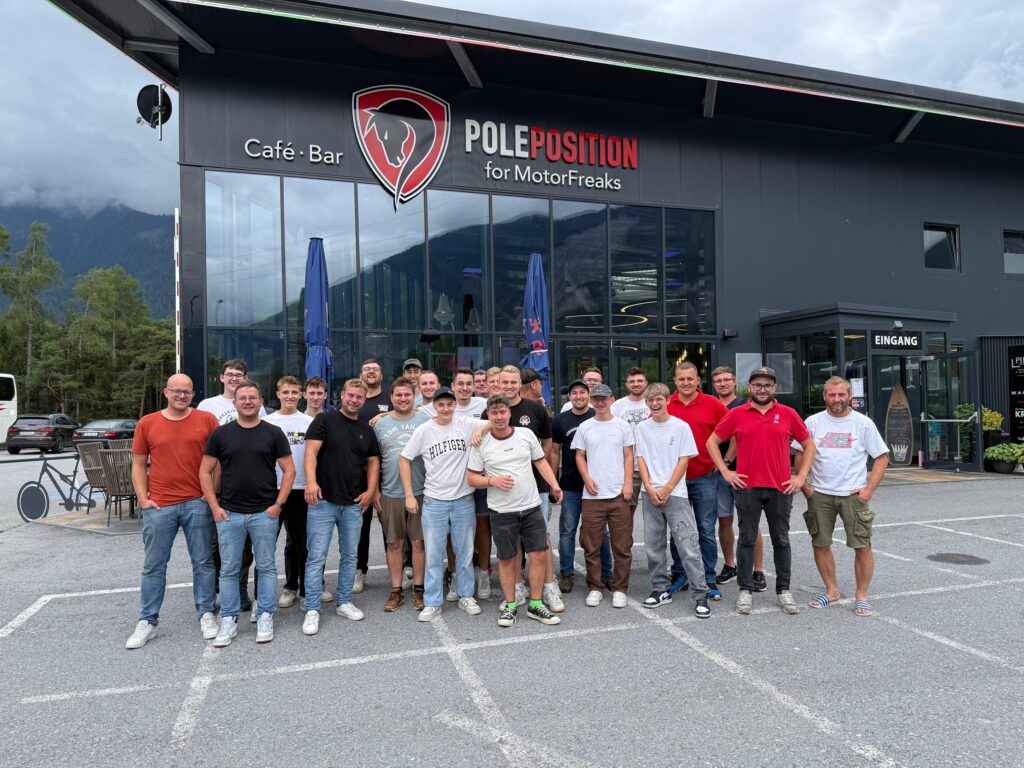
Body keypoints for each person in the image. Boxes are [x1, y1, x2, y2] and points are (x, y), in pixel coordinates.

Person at [708, 366, 815, 617]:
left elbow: (809, 445)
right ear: (749, 387)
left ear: (774, 388)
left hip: (780, 487)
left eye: (767, 385)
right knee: (746, 540)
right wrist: (726, 471)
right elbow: (712, 441)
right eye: (757, 385)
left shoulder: (788, 413)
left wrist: (801, 477)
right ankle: (745, 590)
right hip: (747, 487)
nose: (762, 389)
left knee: (781, 540)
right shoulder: (737, 414)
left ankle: (783, 590)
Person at [125, 374, 220, 649]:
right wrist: (143, 498)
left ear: (193, 394)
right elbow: (138, 464)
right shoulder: (148, 423)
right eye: (176, 391)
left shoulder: (207, 420)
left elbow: (218, 462)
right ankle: (147, 621)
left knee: (203, 562)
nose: (181, 395)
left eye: (187, 391)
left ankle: (206, 613)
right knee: (154, 565)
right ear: (166, 392)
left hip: (197, 503)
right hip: (160, 504)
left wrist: (211, 494)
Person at [199, 380, 295, 647]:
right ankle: (229, 619)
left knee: (266, 567)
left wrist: (278, 505)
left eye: (253, 397)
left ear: (261, 402)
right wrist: (214, 507)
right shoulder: (221, 434)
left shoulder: (273, 433)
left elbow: (289, 471)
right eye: (243, 398)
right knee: (229, 569)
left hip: (265, 513)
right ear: (235, 403)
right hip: (230, 513)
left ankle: (264, 614)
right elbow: (204, 471)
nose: (248, 402)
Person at [795, 376, 889, 616]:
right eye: (832, 395)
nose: (836, 399)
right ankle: (831, 591)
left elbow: (881, 457)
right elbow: (799, 453)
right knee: (820, 543)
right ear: (824, 396)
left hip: (853, 495)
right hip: (819, 494)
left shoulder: (863, 423)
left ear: (849, 396)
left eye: (841, 394)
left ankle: (861, 596)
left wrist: (868, 490)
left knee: (862, 545)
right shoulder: (813, 422)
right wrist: (806, 487)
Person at [468, 394, 564, 627]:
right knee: (507, 559)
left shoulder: (526, 435)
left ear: (510, 413)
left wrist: (554, 484)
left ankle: (536, 604)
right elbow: (472, 478)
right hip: (501, 511)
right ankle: (510, 606)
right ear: (488, 416)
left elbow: (540, 461)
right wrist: (492, 481)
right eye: (494, 413)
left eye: (503, 412)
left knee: (538, 555)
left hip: (530, 506)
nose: (499, 417)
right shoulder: (481, 443)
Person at [301, 379, 381, 636]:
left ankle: (344, 601)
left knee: (350, 556)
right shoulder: (324, 420)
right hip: (323, 500)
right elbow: (310, 453)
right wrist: (311, 482)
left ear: (364, 400)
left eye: (359, 397)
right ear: (342, 395)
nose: (354, 400)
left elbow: (373, 462)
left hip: (353, 503)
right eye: (351, 395)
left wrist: (371, 490)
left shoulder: (366, 430)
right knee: (316, 556)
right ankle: (312, 608)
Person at [400, 387, 482, 622]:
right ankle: (433, 601)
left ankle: (466, 595)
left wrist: (480, 432)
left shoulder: (466, 424)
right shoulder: (424, 430)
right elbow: (404, 459)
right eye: (441, 404)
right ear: (434, 406)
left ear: (455, 404)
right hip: (434, 501)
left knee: (465, 552)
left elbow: (492, 424)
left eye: (449, 404)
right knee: (434, 555)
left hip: (463, 499)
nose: (446, 409)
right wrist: (409, 494)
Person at [634, 383, 710, 618]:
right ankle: (660, 589)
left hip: (675, 494)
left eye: (659, 399)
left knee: (688, 545)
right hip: (650, 494)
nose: (654, 404)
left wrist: (667, 489)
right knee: (653, 546)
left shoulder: (681, 427)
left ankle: (700, 594)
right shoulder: (641, 428)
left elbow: (683, 460)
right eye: (650, 400)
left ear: (668, 400)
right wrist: (649, 487)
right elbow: (641, 459)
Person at [197, 358, 267, 614]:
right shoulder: (207, 406)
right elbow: (202, 446)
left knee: (244, 545)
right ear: (222, 378)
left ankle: (239, 588)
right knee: (215, 544)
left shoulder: (257, 407)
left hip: (245, 484)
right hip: (216, 485)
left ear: (245, 378)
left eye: (239, 374)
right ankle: (218, 587)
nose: (234, 378)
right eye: (230, 374)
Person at [495, 365, 562, 611]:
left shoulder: (536, 409)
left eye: (513, 382)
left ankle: (549, 586)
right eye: (505, 382)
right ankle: (517, 587)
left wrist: (535, 463)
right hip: (506, 487)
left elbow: (548, 442)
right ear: (499, 383)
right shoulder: (492, 410)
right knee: (513, 540)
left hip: (536, 484)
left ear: (519, 384)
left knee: (541, 538)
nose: (509, 386)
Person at [666, 362, 728, 601]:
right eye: (681, 379)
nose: (686, 383)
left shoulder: (713, 404)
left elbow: (733, 431)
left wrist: (724, 460)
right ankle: (680, 574)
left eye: (690, 378)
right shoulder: (666, 404)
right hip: (675, 480)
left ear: (698, 380)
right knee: (678, 529)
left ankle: (708, 577)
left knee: (705, 529)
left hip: (704, 477)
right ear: (675, 381)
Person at [571, 383, 635, 608]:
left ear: (611, 400)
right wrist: (586, 478)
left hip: (618, 494)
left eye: (603, 399)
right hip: (592, 496)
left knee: (622, 546)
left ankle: (620, 588)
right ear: (591, 401)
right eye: (596, 399)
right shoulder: (585, 427)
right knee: (591, 546)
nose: (599, 402)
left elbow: (629, 456)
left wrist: (628, 483)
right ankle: (595, 587)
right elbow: (579, 455)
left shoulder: (622, 426)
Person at [372, 377, 430, 612]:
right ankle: (396, 590)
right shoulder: (380, 425)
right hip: (390, 492)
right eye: (398, 395)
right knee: (394, 542)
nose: (403, 399)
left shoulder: (425, 420)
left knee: (418, 542)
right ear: (391, 397)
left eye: (407, 395)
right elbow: (373, 461)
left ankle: (419, 589)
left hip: (421, 490)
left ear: (413, 396)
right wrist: (375, 490)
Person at [550, 378, 612, 593]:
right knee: (568, 531)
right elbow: (555, 452)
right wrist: (553, 482)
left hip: (597, 485)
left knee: (601, 532)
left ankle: (606, 572)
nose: (579, 396)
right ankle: (567, 573)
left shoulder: (598, 416)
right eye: (574, 393)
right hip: (570, 484)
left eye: (583, 392)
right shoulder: (560, 420)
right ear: (569, 397)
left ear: (589, 395)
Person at [710, 365, 765, 587]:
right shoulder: (712, 404)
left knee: (750, 522)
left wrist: (725, 462)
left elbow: (736, 436)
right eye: (718, 381)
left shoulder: (745, 405)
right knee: (724, 520)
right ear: (713, 385)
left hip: (743, 472)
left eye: (726, 380)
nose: (722, 384)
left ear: (734, 382)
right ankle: (730, 565)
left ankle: (758, 570)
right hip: (717, 474)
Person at [263, 375, 313, 610]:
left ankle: (304, 590)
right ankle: (288, 588)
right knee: (267, 544)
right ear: (278, 394)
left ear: (301, 395)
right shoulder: (267, 422)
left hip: (301, 489)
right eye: (286, 392)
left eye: (294, 392)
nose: (290, 396)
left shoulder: (309, 422)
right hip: (273, 489)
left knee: (301, 543)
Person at [450, 367, 492, 598]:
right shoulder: (445, 405)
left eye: (469, 384)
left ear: (474, 386)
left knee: (483, 526)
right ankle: (455, 574)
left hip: (479, 475)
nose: (465, 388)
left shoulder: (483, 405)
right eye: (461, 384)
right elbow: (412, 411)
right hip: (454, 480)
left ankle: (484, 573)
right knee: (455, 531)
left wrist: (481, 429)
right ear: (453, 386)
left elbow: (499, 418)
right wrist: (382, 415)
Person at [353, 360, 392, 595]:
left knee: (391, 524)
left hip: (387, 472)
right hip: (358, 473)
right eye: (367, 369)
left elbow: (408, 411)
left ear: (381, 375)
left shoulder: (390, 398)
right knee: (361, 525)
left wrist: (386, 413)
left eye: (375, 369)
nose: (371, 372)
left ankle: (402, 567)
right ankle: (360, 570)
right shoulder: (355, 399)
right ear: (361, 374)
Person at [611, 367, 650, 510]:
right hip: (629, 467)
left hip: (652, 465)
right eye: (632, 381)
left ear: (646, 383)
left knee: (656, 510)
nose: (636, 384)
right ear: (627, 385)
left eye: (639, 381)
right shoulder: (617, 406)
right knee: (627, 510)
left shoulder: (654, 403)